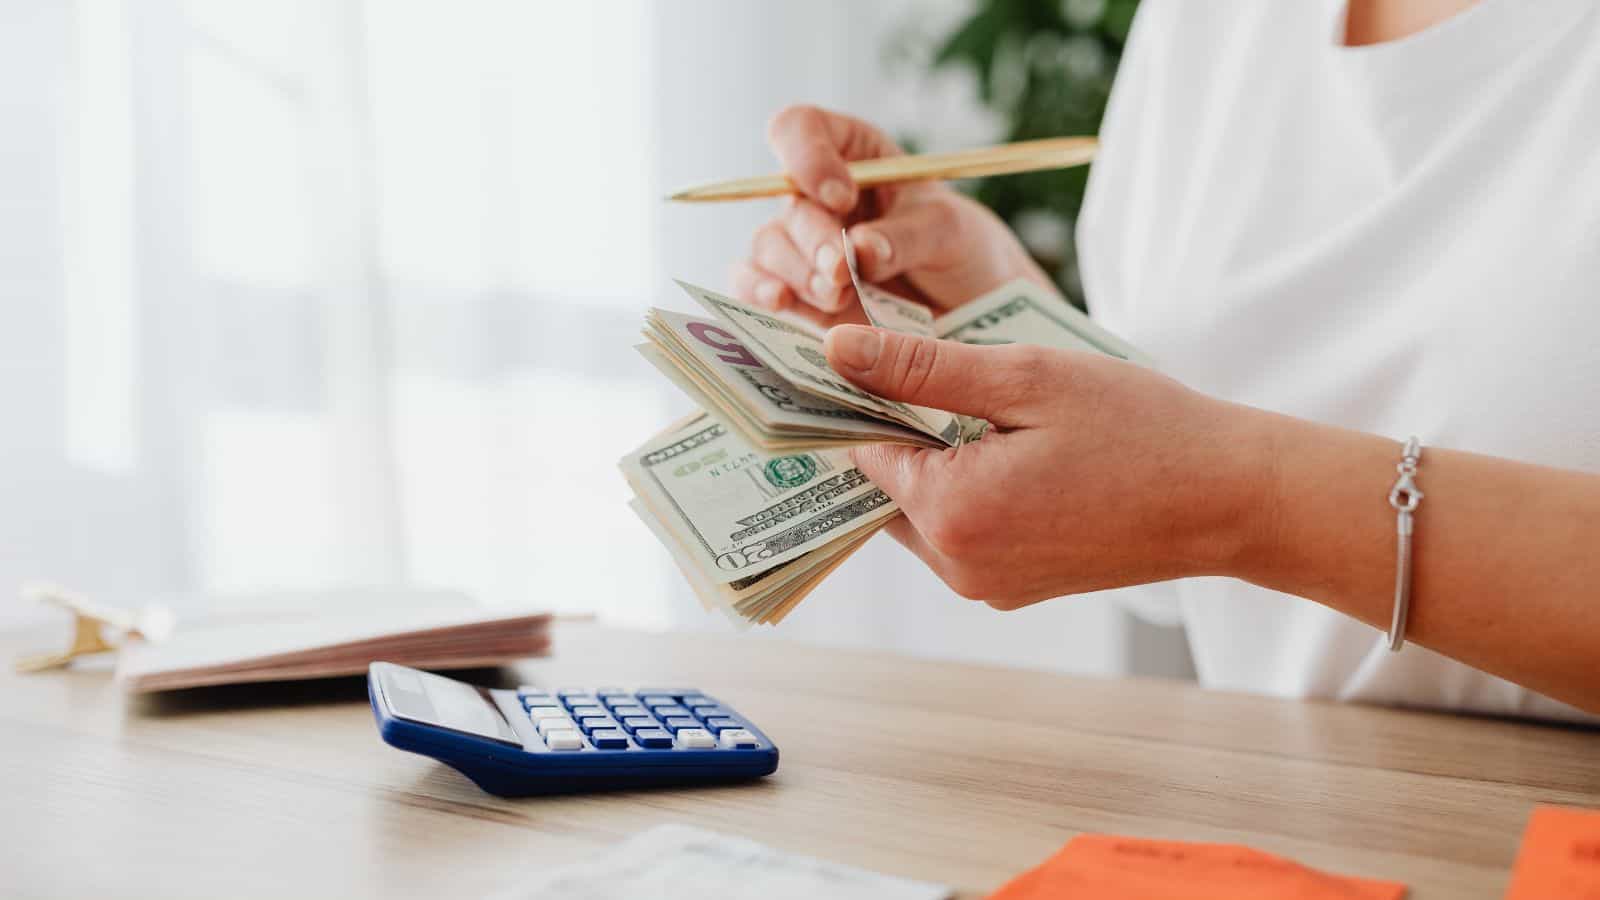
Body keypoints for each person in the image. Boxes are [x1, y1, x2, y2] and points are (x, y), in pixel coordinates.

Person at [730, 0, 1600, 720]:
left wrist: (1229, 496)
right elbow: (1195, 577)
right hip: (1288, 832)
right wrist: (987, 312)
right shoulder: (1204, 21)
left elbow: (1211, 483)